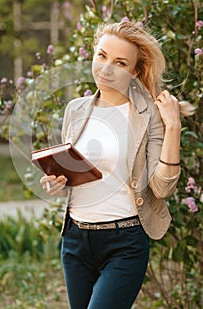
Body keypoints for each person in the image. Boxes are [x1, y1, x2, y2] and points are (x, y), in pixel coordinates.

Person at [40, 20, 193, 309]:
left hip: (124, 242)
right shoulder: (76, 110)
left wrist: (173, 127)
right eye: (102, 56)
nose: (106, 69)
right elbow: (76, 175)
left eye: (120, 62)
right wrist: (56, 181)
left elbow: (161, 188)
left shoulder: (149, 116)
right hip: (75, 241)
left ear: (135, 71)